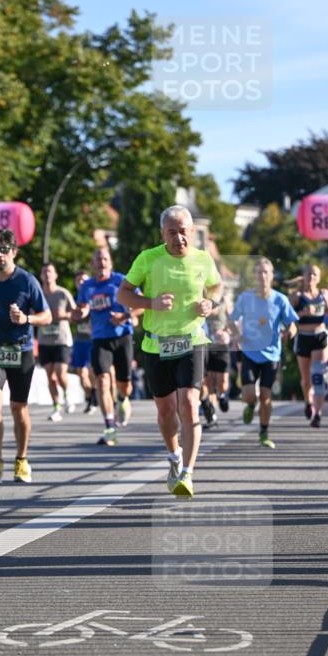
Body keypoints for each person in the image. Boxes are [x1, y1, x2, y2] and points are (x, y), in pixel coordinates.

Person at [118, 205, 222, 497]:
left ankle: (187, 474)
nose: (179, 238)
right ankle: (174, 455)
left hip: (192, 340)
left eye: (184, 231)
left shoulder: (203, 259)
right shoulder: (148, 259)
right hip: (155, 344)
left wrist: (210, 304)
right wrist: (150, 303)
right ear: (163, 234)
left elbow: (216, 287)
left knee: (188, 404)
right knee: (165, 411)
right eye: (172, 232)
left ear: (192, 231)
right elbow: (123, 293)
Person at [0, 228, 51, 484]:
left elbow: (47, 316)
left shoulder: (27, 281)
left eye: (4, 250)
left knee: (18, 407)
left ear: (14, 252)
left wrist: (27, 318)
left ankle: (22, 459)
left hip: (21, 349)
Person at [228, 257, 298, 449]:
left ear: (271, 276)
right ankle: (250, 406)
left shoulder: (280, 299)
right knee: (250, 394)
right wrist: (237, 335)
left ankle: (264, 432)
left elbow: (292, 324)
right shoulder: (245, 298)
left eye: (265, 272)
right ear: (254, 276)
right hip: (250, 352)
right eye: (258, 272)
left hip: (272, 355)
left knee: (266, 397)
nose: (262, 276)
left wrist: (290, 332)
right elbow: (230, 320)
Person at [74, 248, 136, 446]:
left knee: (124, 384)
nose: (101, 262)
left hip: (122, 336)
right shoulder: (87, 286)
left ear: (111, 263)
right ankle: (109, 427)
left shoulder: (121, 281)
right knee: (102, 380)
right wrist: (80, 312)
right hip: (100, 338)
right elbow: (82, 307)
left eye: (105, 259)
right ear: (92, 264)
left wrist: (124, 317)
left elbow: (141, 304)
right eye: (98, 259)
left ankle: (123, 397)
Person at [289, 264, 328, 427]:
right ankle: (308, 402)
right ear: (304, 276)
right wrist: (302, 313)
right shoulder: (296, 296)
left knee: (317, 375)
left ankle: (318, 414)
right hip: (303, 337)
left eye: (315, 275)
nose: (311, 277)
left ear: (319, 278)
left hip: (320, 336)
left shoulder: (324, 294)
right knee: (306, 380)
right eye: (309, 274)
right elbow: (288, 317)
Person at [38, 262, 77, 421]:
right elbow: (32, 313)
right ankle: (56, 408)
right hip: (44, 341)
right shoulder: (38, 294)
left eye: (50, 271)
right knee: (50, 377)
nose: (47, 274)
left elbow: (76, 314)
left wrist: (64, 315)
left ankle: (67, 396)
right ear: (41, 276)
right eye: (44, 272)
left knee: (60, 374)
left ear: (55, 275)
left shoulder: (63, 293)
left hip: (62, 340)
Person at [200, 291, 233, 426]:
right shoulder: (200, 298)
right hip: (207, 344)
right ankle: (211, 415)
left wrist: (227, 333)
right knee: (208, 382)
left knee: (222, 382)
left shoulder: (224, 300)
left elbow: (232, 320)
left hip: (221, 345)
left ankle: (222, 395)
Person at [70, 270, 98, 413]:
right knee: (81, 373)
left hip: (94, 340)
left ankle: (93, 397)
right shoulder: (75, 299)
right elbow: (70, 317)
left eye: (84, 280)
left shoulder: (95, 295)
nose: (81, 283)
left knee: (93, 371)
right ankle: (90, 396)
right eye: (78, 281)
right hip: (80, 340)